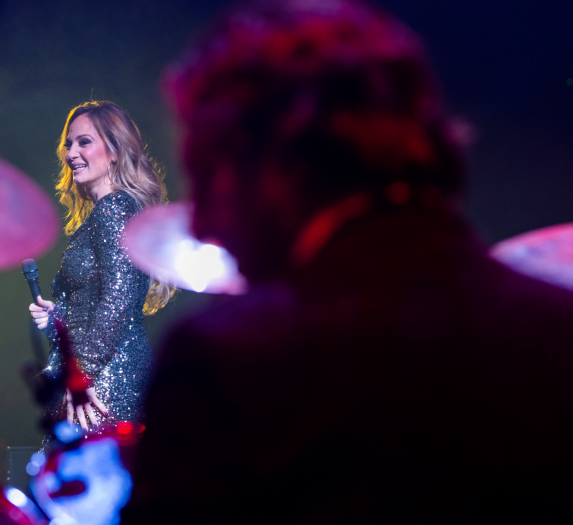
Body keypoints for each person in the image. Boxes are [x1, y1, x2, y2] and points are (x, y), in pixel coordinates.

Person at [122, 0, 573, 522]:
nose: (203, 225)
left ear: (268, 165)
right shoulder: (559, 331)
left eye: (205, 176)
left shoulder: (229, 357)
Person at [28, 101, 173, 445]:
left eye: (84, 142)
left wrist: (81, 376)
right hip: (100, 373)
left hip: (105, 381)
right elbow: (102, 300)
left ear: (115, 152)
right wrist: (58, 317)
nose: (71, 154)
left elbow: (120, 299)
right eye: (69, 144)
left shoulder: (115, 208)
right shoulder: (110, 212)